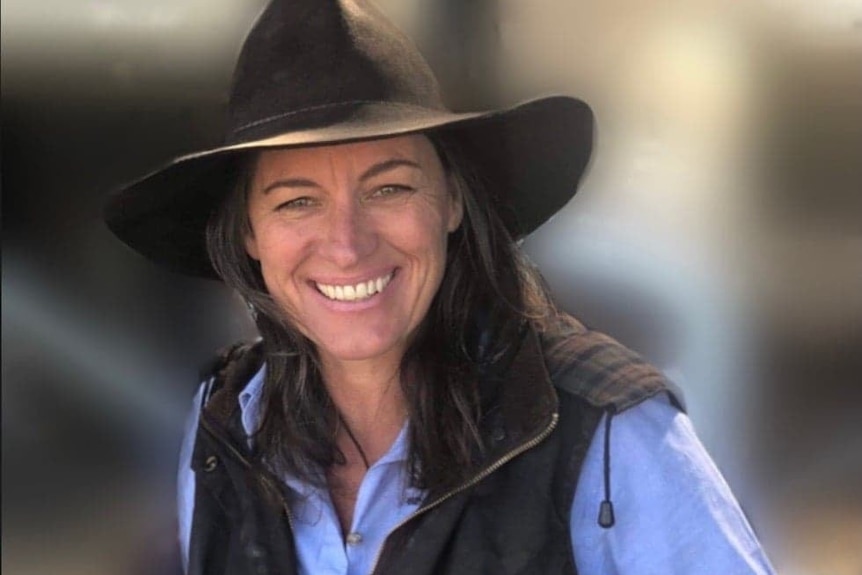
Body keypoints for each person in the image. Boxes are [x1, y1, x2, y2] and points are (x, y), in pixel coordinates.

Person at [104, 1, 775, 574]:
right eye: (296, 202)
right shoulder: (224, 422)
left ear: (452, 201)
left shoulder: (605, 429)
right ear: (248, 233)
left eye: (389, 187)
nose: (346, 243)